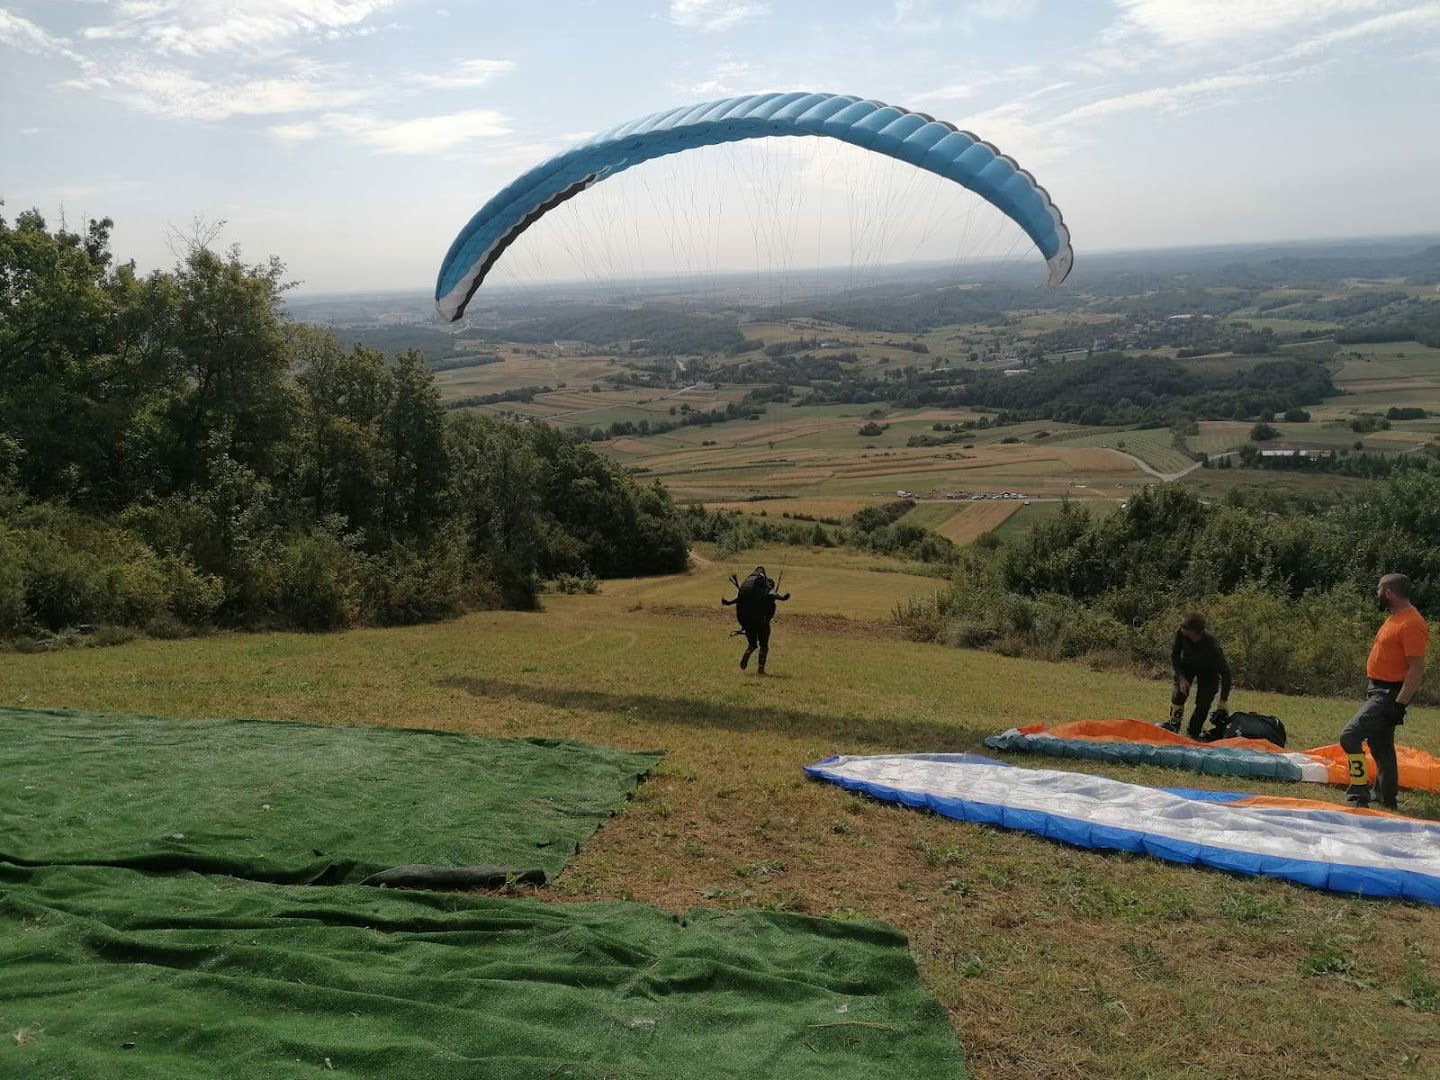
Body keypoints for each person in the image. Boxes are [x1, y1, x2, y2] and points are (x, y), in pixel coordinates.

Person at [1340, 573, 1428, 809]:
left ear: (1389, 592)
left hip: (1389, 694)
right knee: (1381, 746)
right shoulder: (1396, 618)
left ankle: (1358, 794)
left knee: (1349, 736)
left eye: (1379, 588)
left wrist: (1399, 705)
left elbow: (1416, 669)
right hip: (1378, 689)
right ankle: (1386, 797)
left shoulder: (1411, 623)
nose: (1377, 592)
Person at [1166, 613, 1232, 739]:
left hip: (1209, 671)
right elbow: (1175, 655)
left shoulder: (1212, 645)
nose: (1183, 630)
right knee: (1179, 694)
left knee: (1204, 702)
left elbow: (1226, 673)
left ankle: (1193, 731)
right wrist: (1180, 677)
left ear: (1196, 632)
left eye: (1187, 629)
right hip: (1188, 666)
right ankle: (1173, 726)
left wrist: (1223, 700)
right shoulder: (1181, 634)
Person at [721, 566, 789, 675]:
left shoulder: (750, 592)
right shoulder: (766, 588)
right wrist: (784, 598)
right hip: (762, 622)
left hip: (748, 622)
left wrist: (727, 602)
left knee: (752, 644)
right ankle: (761, 669)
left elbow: (738, 599)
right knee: (764, 645)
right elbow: (773, 595)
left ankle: (749, 650)